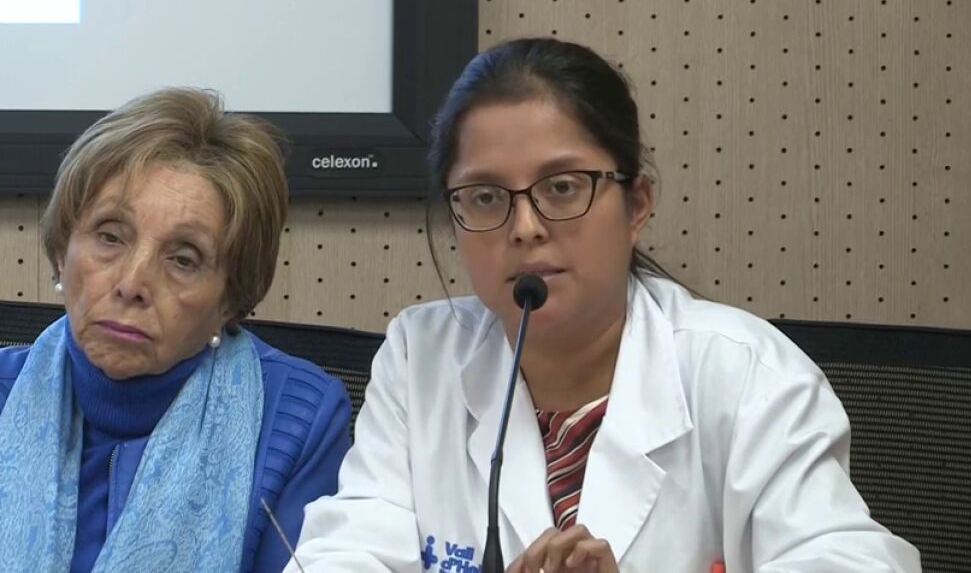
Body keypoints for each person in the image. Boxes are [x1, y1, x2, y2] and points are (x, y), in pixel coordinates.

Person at [289, 38, 921, 572]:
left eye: (563, 188)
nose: (525, 227)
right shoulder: (420, 356)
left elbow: (848, 561)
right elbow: (345, 552)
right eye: (484, 196)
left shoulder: (746, 373)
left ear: (636, 204)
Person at [0, 88, 351, 573]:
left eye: (184, 259)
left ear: (232, 300)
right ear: (62, 250)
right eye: (109, 236)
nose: (131, 283)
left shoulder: (296, 424)